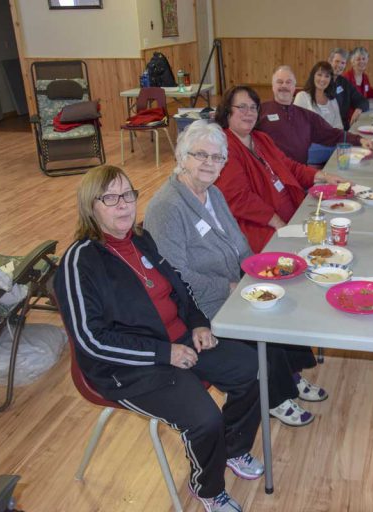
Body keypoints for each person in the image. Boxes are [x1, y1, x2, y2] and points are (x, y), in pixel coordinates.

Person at [55, 165, 263, 512]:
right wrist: (164, 353)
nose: (123, 205)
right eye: (110, 198)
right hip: (128, 366)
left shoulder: (140, 239)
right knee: (204, 418)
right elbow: (91, 340)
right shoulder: (80, 261)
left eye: (128, 195)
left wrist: (197, 323)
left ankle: (232, 447)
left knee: (250, 367)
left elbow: (180, 286)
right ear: (90, 206)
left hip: (178, 338)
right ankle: (207, 489)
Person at [144, 120, 325, 428]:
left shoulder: (212, 194)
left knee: (283, 302)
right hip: (201, 308)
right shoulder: (167, 206)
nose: (209, 163)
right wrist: (230, 287)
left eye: (217, 158)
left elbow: (239, 244)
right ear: (181, 157)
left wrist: (259, 273)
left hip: (234, 288)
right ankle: (276, 396)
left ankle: (289, 380)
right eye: (200, 155)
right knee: (264, 326)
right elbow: (176, 275)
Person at [213, 85, 347, 253]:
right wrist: (278, 223)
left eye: (253, 107)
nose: (249, 112)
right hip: (260, 228)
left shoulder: (261, 138)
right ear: (227, 111)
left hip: (291, 216)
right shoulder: (224, 146)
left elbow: (289, 166)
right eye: (242, 107)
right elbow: (240, 198)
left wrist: (324, 176)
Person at [257, 65, 373, 165]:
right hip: (270, 175)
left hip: (299, 174)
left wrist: (359, 139)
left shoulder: (305, 115)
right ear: (272, 86)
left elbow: (331, 133)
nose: (284, 86)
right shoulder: (260, 111)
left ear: (294, 87)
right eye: (279, 82)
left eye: (288, 82)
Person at [328, 48, 369, 129]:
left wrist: (359, 109)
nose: (340, 65)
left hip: (343, 127)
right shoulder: (323, 81)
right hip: (328, 128)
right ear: (330, 61)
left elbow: (362, 100)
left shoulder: (344, 82)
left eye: (343, 63)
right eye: (337, 61)